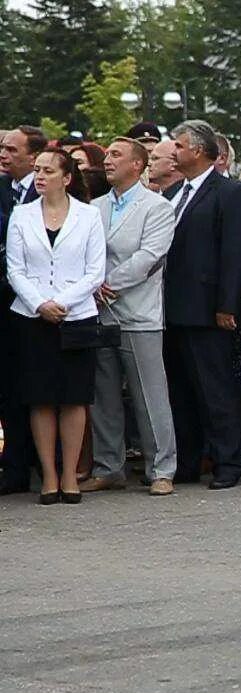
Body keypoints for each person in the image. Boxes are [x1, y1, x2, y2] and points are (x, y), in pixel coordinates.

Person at [6, 148, 104, 504]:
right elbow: (15, 269)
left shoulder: (88, 216)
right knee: (41, 397)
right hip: (32, 316)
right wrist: (39, 303)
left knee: (74, 397)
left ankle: (70, 475)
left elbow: (95, 271)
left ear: (67, 177)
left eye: (48, 170)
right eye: (37, 170)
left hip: (75, 314)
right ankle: (48, 475)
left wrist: (63, 301)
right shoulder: (21, 215)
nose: (40, 176)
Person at [82, 138, 178, 497]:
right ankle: (109, 466)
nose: (107, 160)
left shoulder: (156, 207)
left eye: (116, 155)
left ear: (137, 166)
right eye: (106, 154)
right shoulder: (96, 206)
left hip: (138, 312)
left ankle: (162, 468)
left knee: (150, 394)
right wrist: (91, 286)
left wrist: (108, 283)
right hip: (98, 311)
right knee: (103, 394)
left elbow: (150, 256)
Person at [163, 120, 241, 490]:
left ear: (198, 151)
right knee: (181, 391)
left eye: (179, 146)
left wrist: (227, 305)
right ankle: (188, 460)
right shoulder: (172, 193)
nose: (173, 152)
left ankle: (228, 462)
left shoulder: (229, 193)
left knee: (216, 389)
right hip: (171, 308)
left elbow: (235, 253)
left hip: (208, 309)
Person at [0, 125, 47, 495]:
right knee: (8, 389)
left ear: (33, 156)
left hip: (40, 305)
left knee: (32, 387)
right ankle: (14, 465)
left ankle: (36, 463)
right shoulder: (3, 189)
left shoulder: (47, 191)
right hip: (6, 304)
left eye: (12, 149)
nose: (4, 154)